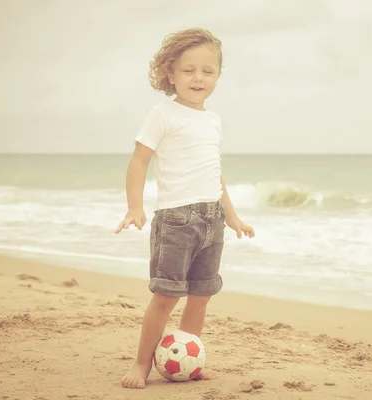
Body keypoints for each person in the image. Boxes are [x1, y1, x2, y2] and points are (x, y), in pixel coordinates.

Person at [115, 27, 255, 389]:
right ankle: (141, 364)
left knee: (202, 295)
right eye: (188, 70)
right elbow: (139, 161)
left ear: (218, 76)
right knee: (166, 296)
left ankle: (189, 357)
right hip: (176, 220)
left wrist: (233, 215)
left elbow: (214, 173)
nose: (198, 78)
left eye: (207, 71)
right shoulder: (162, 114)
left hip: (213, 218)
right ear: (170, 74)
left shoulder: (213, 120)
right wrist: (135, 206)